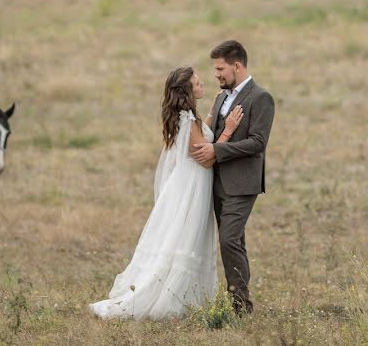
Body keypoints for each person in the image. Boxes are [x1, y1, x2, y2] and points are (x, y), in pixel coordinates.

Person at [90, 66, 243, 320]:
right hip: (191, 190)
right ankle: (168, 300)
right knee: (184, 238)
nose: (202, 83)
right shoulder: (190, 121)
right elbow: (206, 157)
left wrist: (214, 111)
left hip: (183, 185)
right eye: (197, 83)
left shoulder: (185, 119)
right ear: (187, 91)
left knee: (176, 237)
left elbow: (200, 137)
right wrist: (228, 129)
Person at [190, 40, 275, 316]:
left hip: (242, 183)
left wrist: (218, 150)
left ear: (237, 66)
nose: (216, 74)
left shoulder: (261, 98)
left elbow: (257, 143)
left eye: (220, 68)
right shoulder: (220, 97)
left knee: (228, 239)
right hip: (216, 182)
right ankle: (239, 302)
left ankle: (240, 304)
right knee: (234, 241)